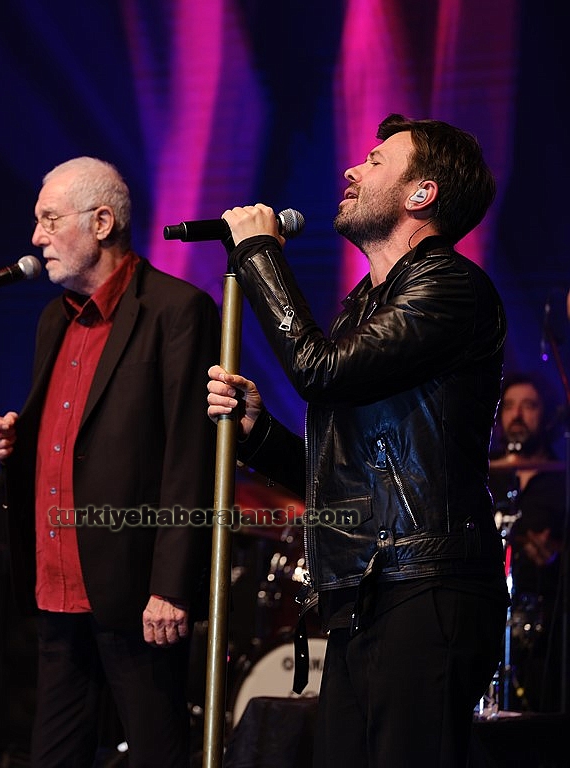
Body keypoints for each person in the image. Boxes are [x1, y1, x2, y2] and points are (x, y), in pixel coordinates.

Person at [206, 114, 508, 768]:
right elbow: (346, 477)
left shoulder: (450, 287)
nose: (352, 168)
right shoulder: (363, 307)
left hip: (426, 585)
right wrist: (260, 433)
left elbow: (317, 369)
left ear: (420, 193)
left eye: (375, 161)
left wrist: (258, 254)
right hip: (369, 591)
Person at [0, 156, 219, 768]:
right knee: (53, 754)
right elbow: (74, 435)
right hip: (58, 583)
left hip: (135, 591)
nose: (36, 236)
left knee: (156, 753)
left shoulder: (176, 310)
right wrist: (15, 444)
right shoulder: (52, 320)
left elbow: (188, 457)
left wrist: (170, 586)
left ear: (102, 222)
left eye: (50, 219)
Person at [489, 370, 566, 712]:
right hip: (485, 612)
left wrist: (555, 555)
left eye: (529, 406)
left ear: (545, 414)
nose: (517, 415)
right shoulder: (484, 475)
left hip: (544, 625)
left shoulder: (560, 480)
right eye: (509, 406)